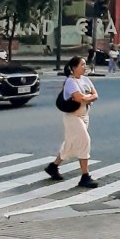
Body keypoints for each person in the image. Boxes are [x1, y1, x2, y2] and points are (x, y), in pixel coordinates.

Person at [45, 56, 99, 188]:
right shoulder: (70, 81)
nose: (85, 67)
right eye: (82, 64)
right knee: (85, 140)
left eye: (85, 64)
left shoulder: (86, 80)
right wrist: (88, 97)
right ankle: (85, 176)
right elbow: (78, 98)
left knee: (70, 143)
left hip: (84, 115)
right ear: (74, 67)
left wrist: (87, 98)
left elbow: (95, 95)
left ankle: (53, 166)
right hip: (72, 117)